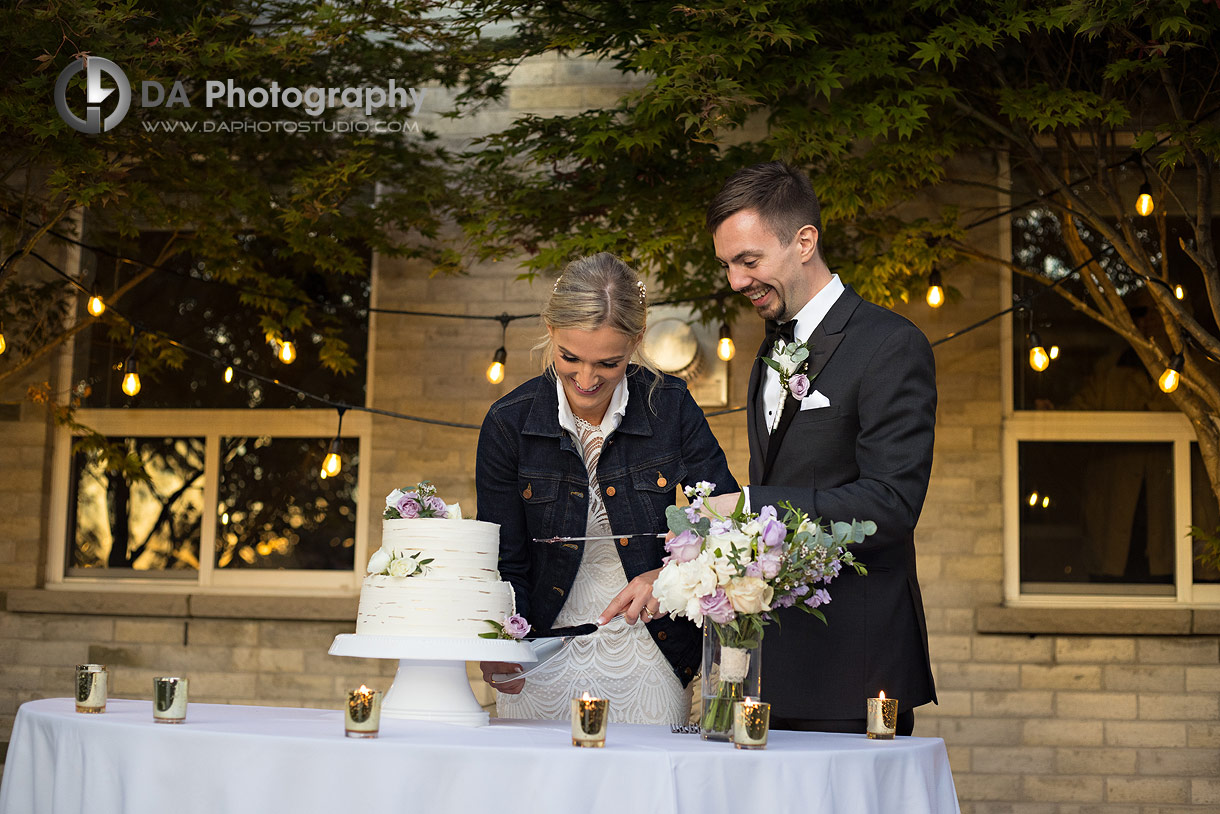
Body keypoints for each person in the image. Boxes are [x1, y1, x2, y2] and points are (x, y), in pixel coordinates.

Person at [703, 161, 937, 735]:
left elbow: (891, 505)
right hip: (769, 661)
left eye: (749, 261)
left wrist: (755, 507)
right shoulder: (767, 351)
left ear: (804, 241)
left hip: (856, 666)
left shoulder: (891, 344)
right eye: (727, 265)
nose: (735, 281)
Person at [475, 252, 739, 723]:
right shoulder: (507, 423)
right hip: (539, 656)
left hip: (652, 651)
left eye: (608, 363)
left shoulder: (671, 406)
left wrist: (669, 577)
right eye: (569, 358)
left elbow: (729, 520)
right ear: (551, 331)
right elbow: (502, 557)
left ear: (637, 341)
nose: (586, 379)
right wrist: (498, 639)